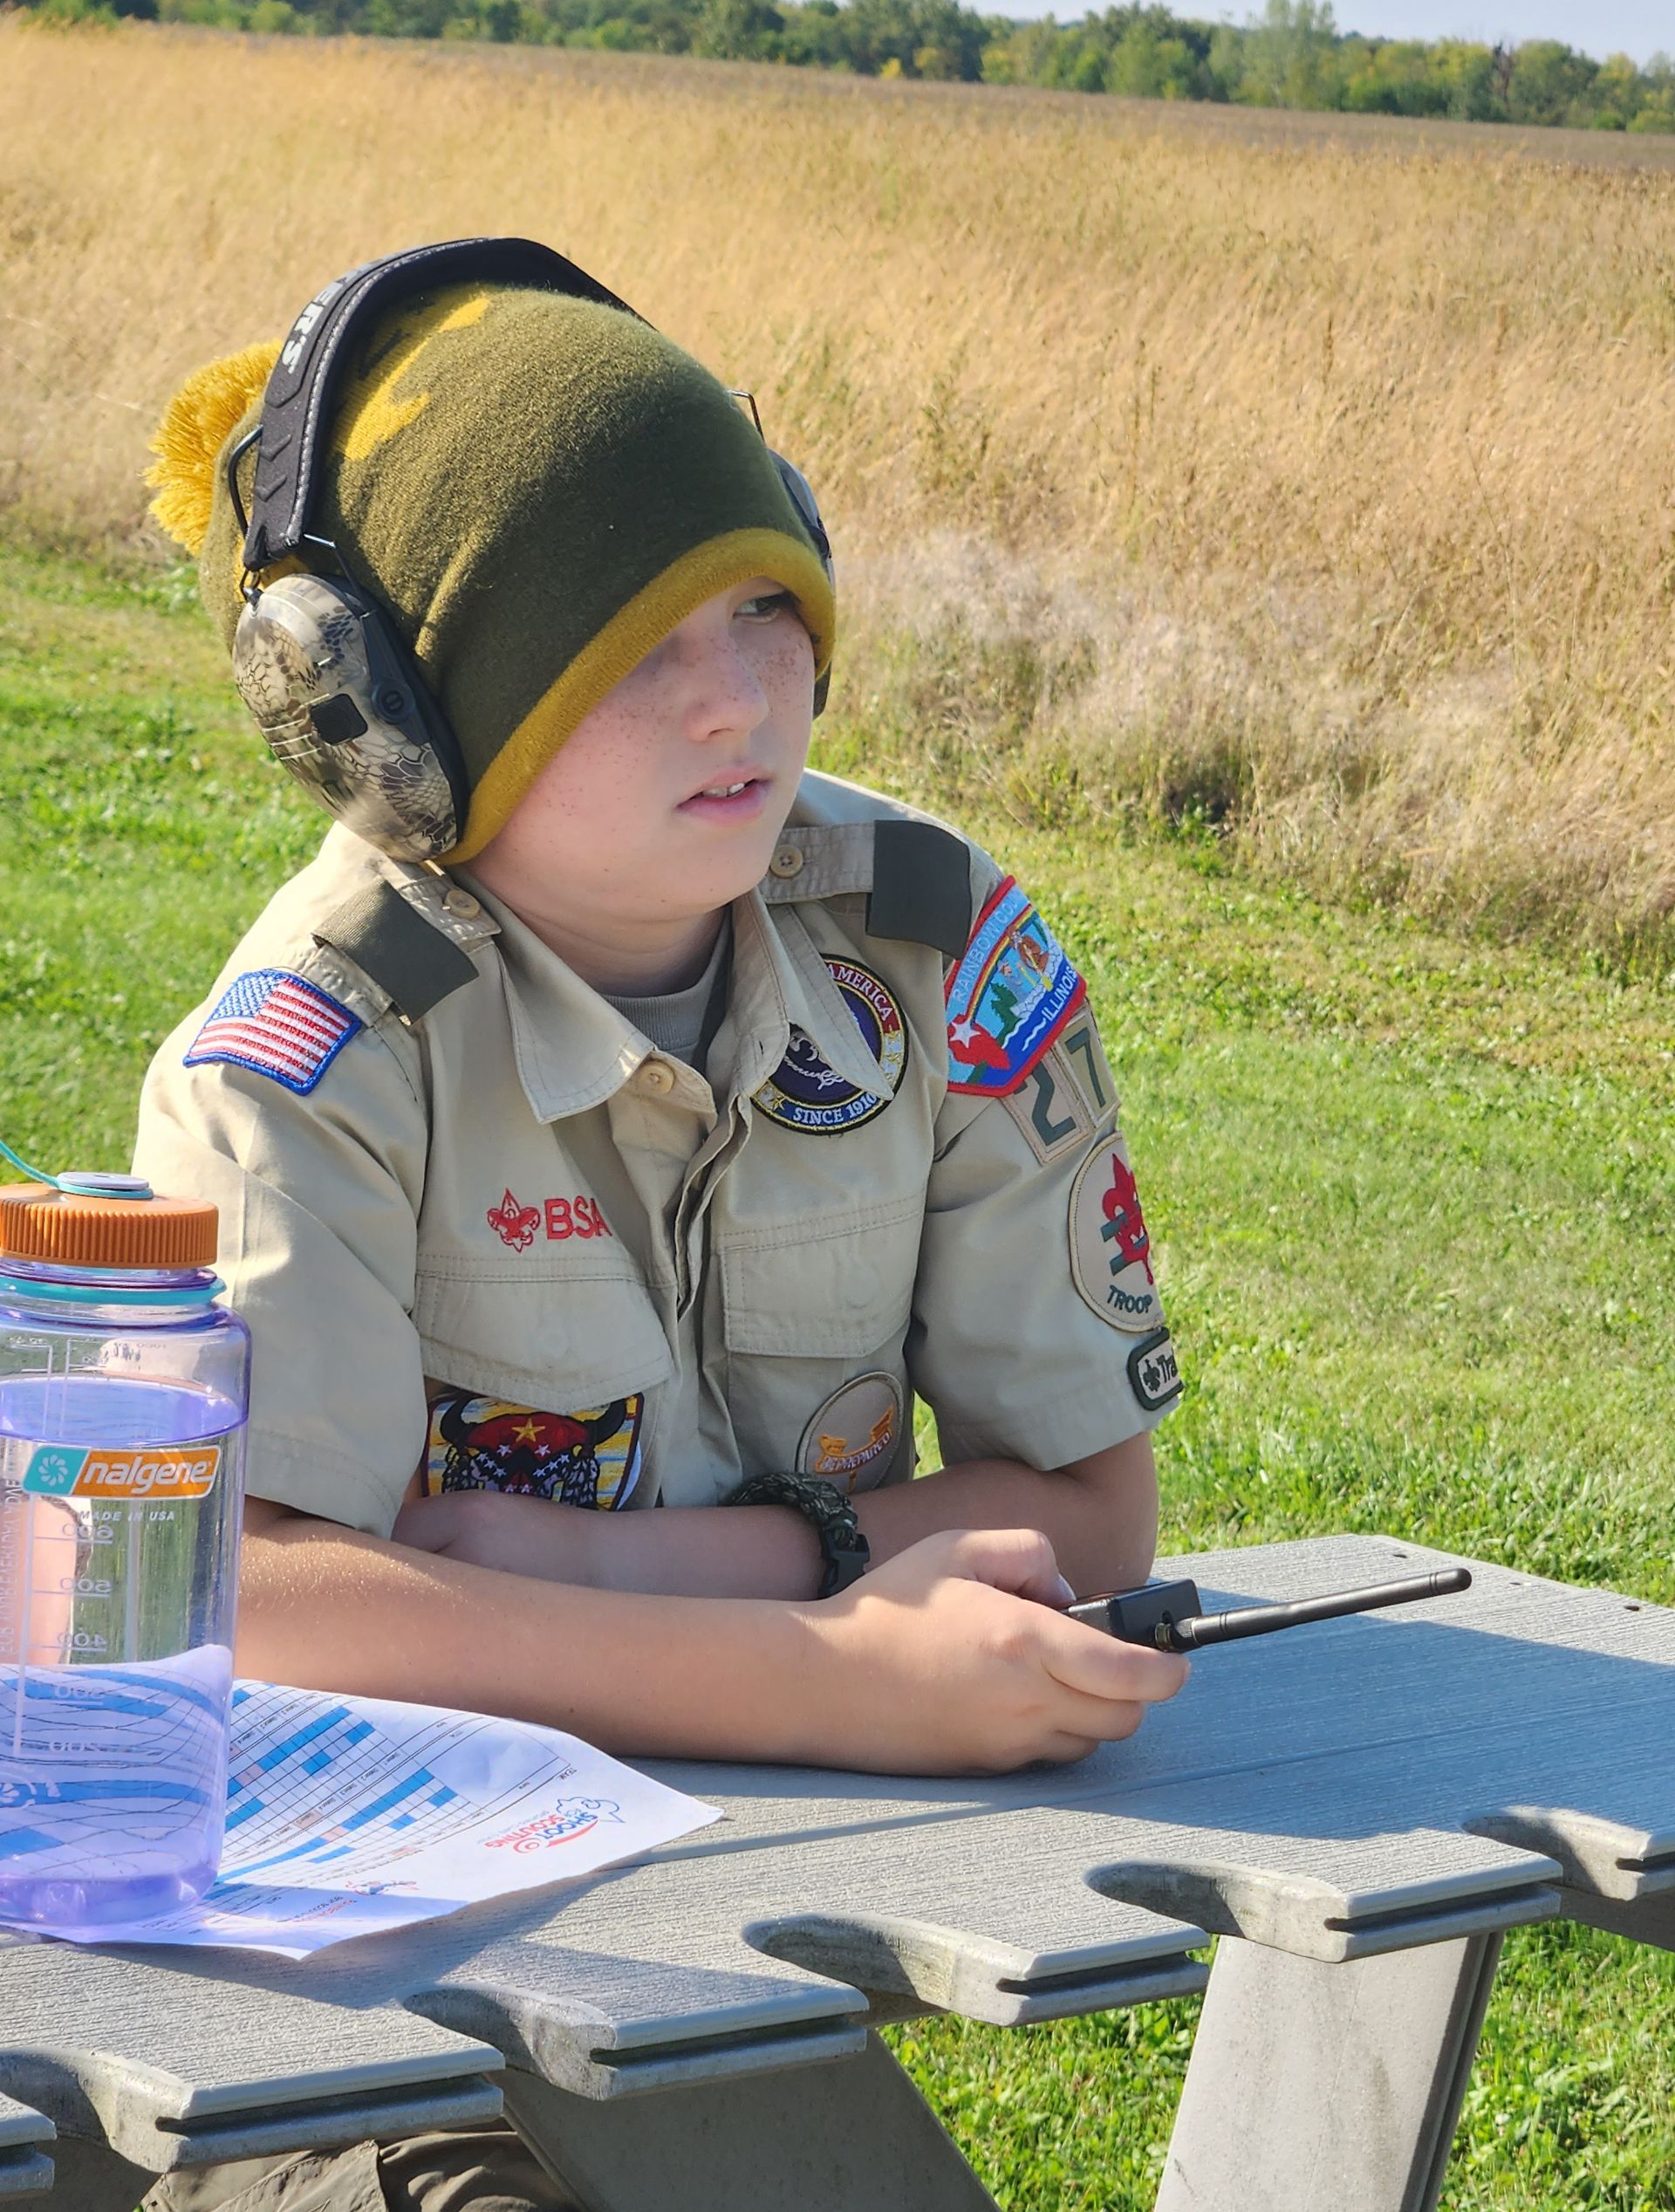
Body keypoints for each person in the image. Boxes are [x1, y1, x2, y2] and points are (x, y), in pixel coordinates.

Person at [133, 240, 1188, 2212]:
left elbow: (1087, 1515)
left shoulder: (939, 945)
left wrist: (574, 1559)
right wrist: (834, 1668)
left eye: (765, 608)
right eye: (631, 651)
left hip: (727, 1937)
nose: (741, 698)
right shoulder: (305, 1055)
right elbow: (262, 1606)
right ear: (399, 721)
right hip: (330, 2012)